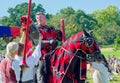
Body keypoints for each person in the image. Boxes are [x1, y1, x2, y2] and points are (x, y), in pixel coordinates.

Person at [31, 12, 62, 83]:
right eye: (37, 18)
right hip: (42, 56)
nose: (39, 19)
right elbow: (36, 42)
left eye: (41, 17)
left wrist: (60, 33)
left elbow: (60, 38)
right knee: (41, 72)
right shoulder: (35, 30)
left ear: (45, 18)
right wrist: (50, 42)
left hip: (54, 55)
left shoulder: (51, 29)